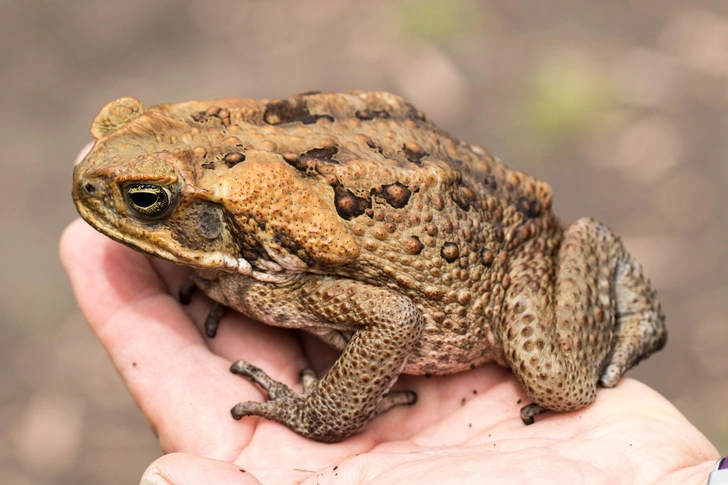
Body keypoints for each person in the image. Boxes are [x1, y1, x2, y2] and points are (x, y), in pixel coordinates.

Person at [62, 149, 720, 485]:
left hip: (501, 260)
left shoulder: (300, 257)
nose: (102, 194)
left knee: (558, 381)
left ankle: (600, 256)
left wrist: (320, 414)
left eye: (144, 199)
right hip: (409, 205)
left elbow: (395, 318)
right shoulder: (269, 228)